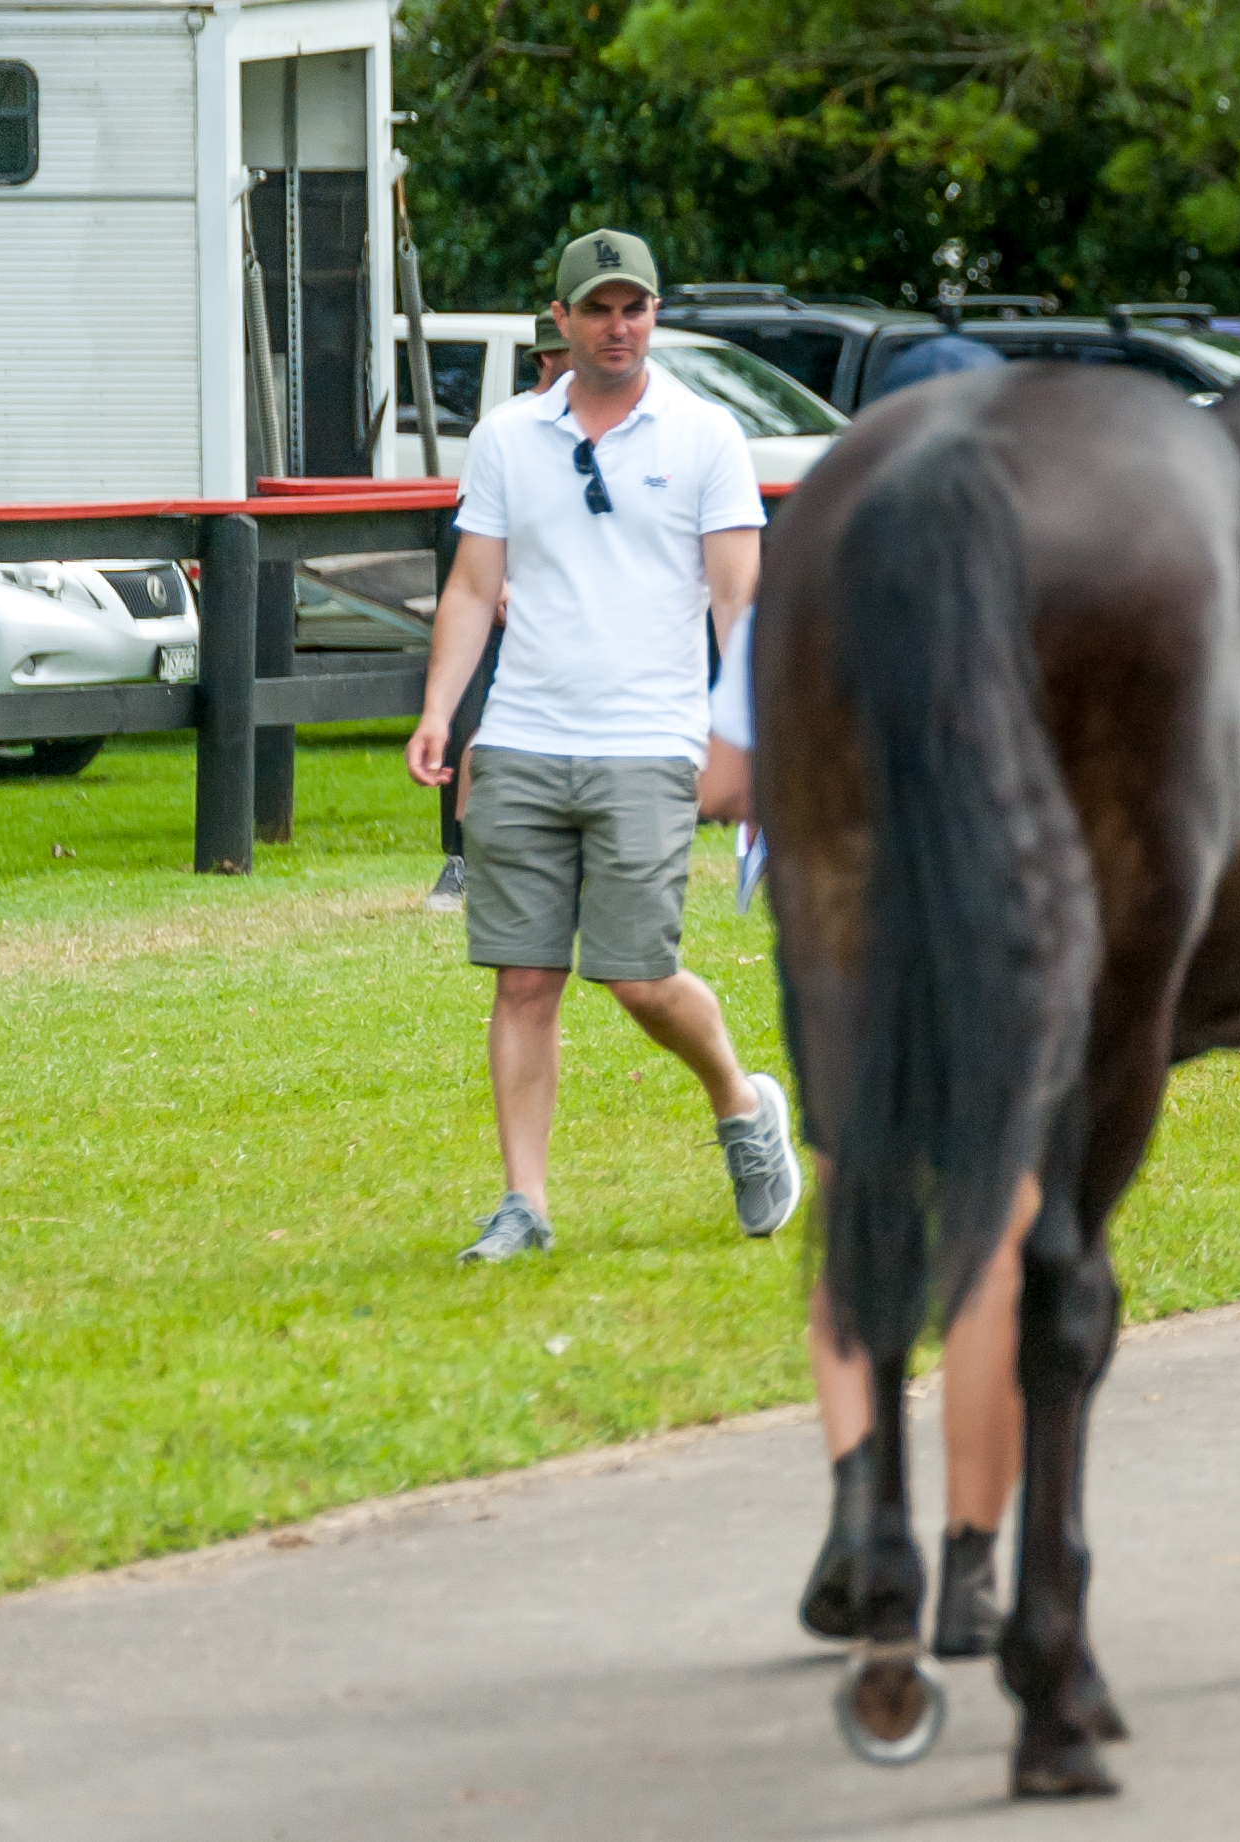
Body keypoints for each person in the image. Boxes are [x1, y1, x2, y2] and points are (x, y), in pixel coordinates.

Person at [696, 348, 1021, 1653]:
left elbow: (725, 781)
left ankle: (860, 1510)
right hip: (989, 919)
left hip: (835, 921)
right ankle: (973, 1564)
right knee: (995, 1230)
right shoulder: (1032, 577)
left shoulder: (809, 571)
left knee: (856, 1201)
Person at [407, 229, 801, 1262]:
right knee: (523, 978)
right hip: (525, 739)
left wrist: (748, 746)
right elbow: (474, 588)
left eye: (635, 308)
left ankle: (741, 1102)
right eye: (598, 309)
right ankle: (523, 1207)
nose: (618, 327)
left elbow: (739, 603)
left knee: (635, 977)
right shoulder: (505, 439)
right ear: (562, 320)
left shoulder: (706, 436)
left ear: (654, 316)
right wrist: (441, 709)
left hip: (651, 745)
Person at [427, 312, 577, 914]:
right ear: (544, 357)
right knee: (485, 732)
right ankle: (461, 861)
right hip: (504, 602)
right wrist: (501, 588)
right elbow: (479, 528)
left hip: (566, 610)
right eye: (566, 351)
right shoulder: (506, 427)